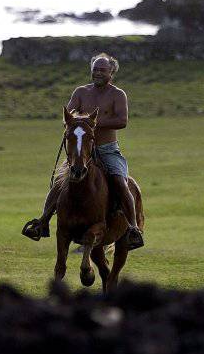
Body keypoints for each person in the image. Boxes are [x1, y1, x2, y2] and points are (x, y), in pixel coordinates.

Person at [22, 53, 144, 250]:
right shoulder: (80, 92)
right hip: (80, 150)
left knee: (121, 182)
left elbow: (122, 121)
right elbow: (67, 118)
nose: (97, 73)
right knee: (60, 182)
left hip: (107, 149)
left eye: (102, 70)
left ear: (111, 72)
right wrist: (80, 124)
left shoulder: (117, 94)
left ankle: (132, 229)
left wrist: (91, 123)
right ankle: (42, 223)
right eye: (95, 69)